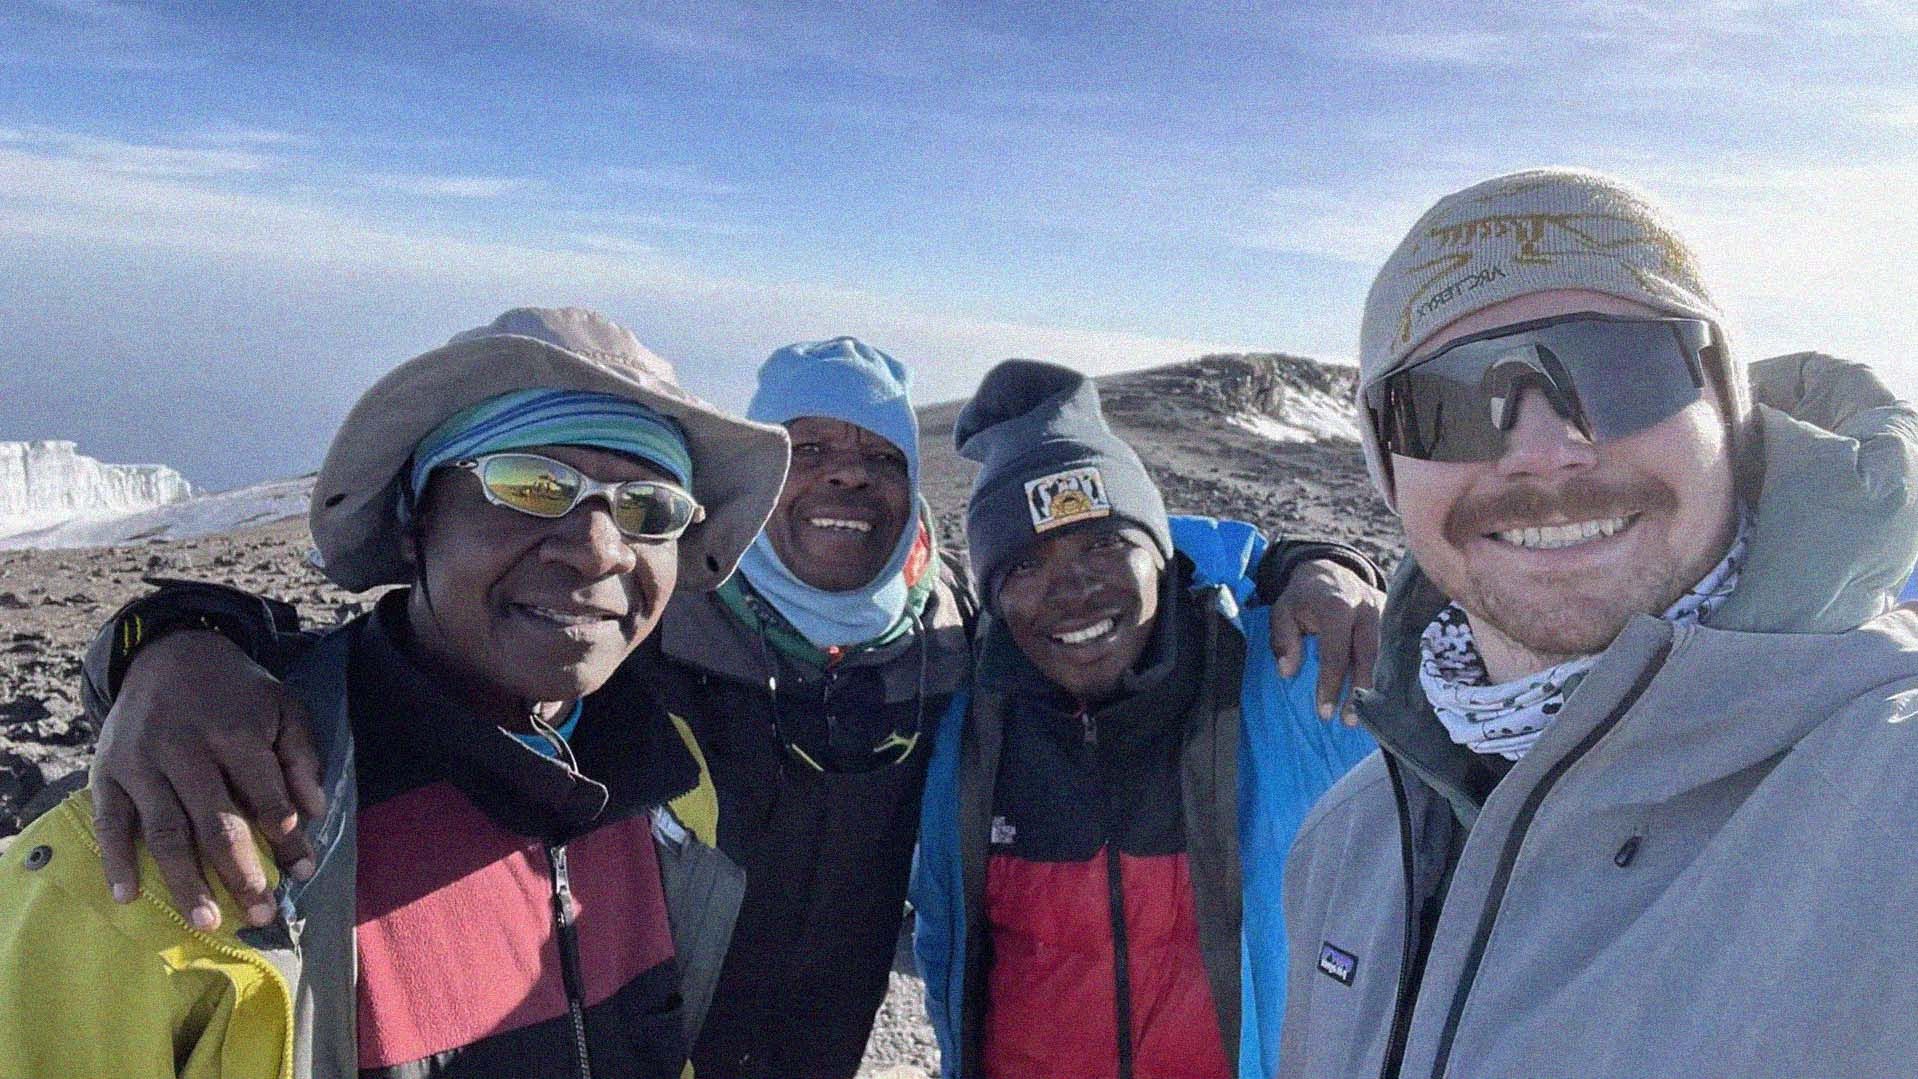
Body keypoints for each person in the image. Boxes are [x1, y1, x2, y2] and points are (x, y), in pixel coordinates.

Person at [69, 338, 1384, 1079]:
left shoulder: (961, 654)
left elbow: (1136, 547)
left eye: (874, 453)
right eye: (805, 449)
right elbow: (401, 664)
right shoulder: (635, 640)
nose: (591, 546)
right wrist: (175, 639)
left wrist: (1296, 563)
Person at [0, 306, 792, 1078]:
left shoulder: (671, 783)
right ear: (417, 519)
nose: (597, 550)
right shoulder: (170, 839)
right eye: (531, 483)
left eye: (649, 508)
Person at [1276, 168, 1918, 1079]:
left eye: (1622, 370)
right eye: (1451, 403)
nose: (1540, 450)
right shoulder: (1350, 843)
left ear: (1730, 414)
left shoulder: (1892, 798)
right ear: (1389, 472)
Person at [911, 360, 1381, 1079]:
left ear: (1161, 554)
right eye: (1026, 567)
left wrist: (1329, 565)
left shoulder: (1287, 678)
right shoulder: (962, 720)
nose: (1074, 592)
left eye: (1104, 544)